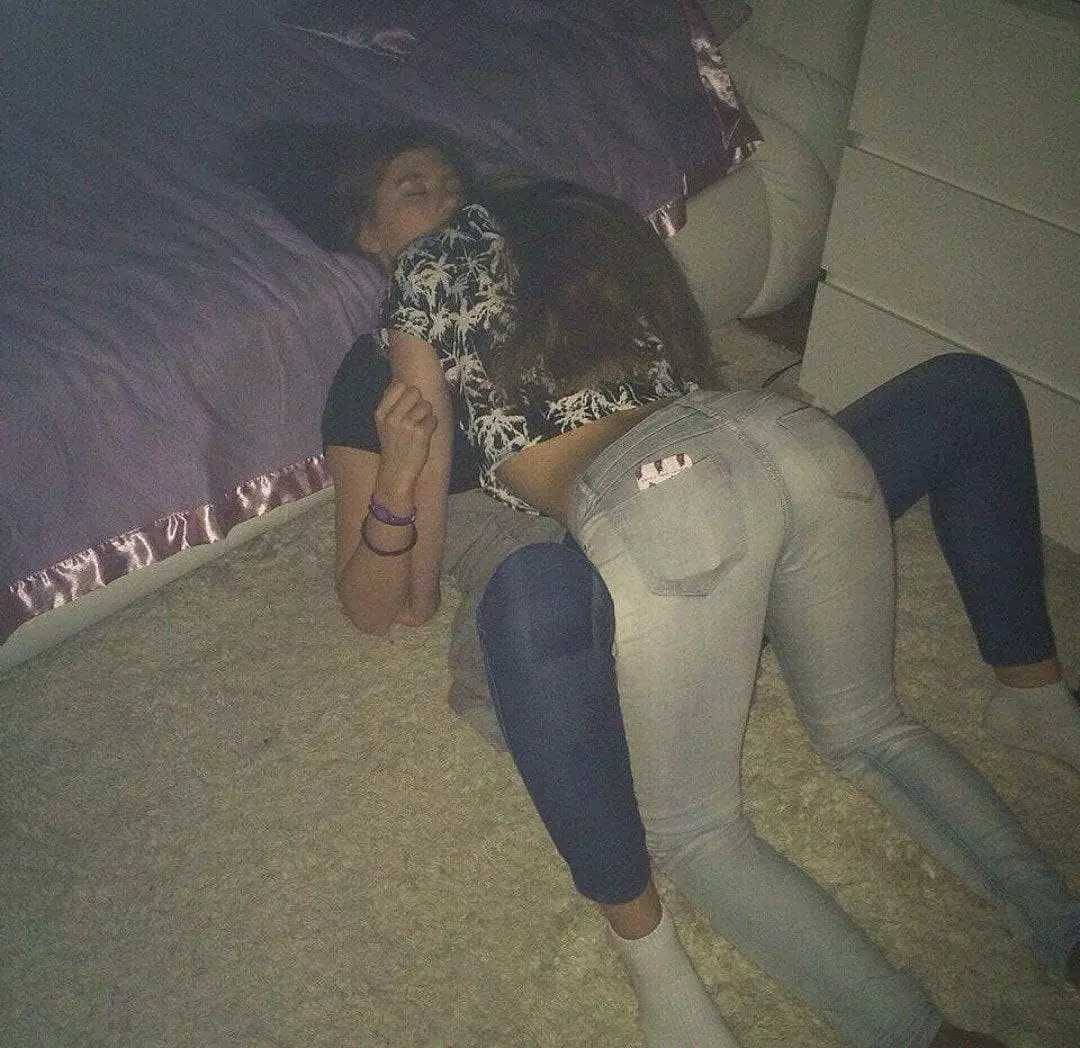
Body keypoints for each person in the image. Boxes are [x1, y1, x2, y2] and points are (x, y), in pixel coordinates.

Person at [242, 124, 1079, 1048]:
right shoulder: (392, 362)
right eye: (415, 190)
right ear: (364, 232)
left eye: (453, 182)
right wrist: (398, 478)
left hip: (682, 540)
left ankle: (1029, 708)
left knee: (963, 393)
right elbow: (382, 604)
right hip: (734, 494)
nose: (447, 200)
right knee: (860, 724)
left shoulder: (484, 276)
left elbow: (425, 595)